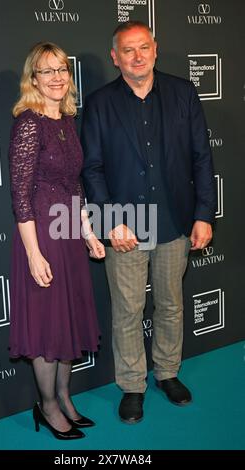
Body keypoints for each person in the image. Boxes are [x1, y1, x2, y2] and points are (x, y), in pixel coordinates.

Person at [81, 21, 216, 424]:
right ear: (115, 57)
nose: (137, 56)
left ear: (155, 49)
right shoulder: (100, 103)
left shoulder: (183, 93)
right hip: (125, 226)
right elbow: (92, 168)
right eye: (128, 50)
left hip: (175, 220)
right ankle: (132, 385)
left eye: (143, 47)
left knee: (171, 304)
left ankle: (168, 372)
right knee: (127, 310)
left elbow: (201, 158)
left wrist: (203, 215)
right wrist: (110, 221)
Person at [9, 41, 105, 440]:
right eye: (47, 71)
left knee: (68, 321)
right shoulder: (29, 122)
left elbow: (75, 185)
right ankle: (46, 406)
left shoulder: (66, 119)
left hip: (67, 231)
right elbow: (20, 194)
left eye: (62, 69)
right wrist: (33, 254)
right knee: (48, 326)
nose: (57, 78)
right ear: (33, 78)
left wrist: (88, 233)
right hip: (42, 237)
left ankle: (64, 397)